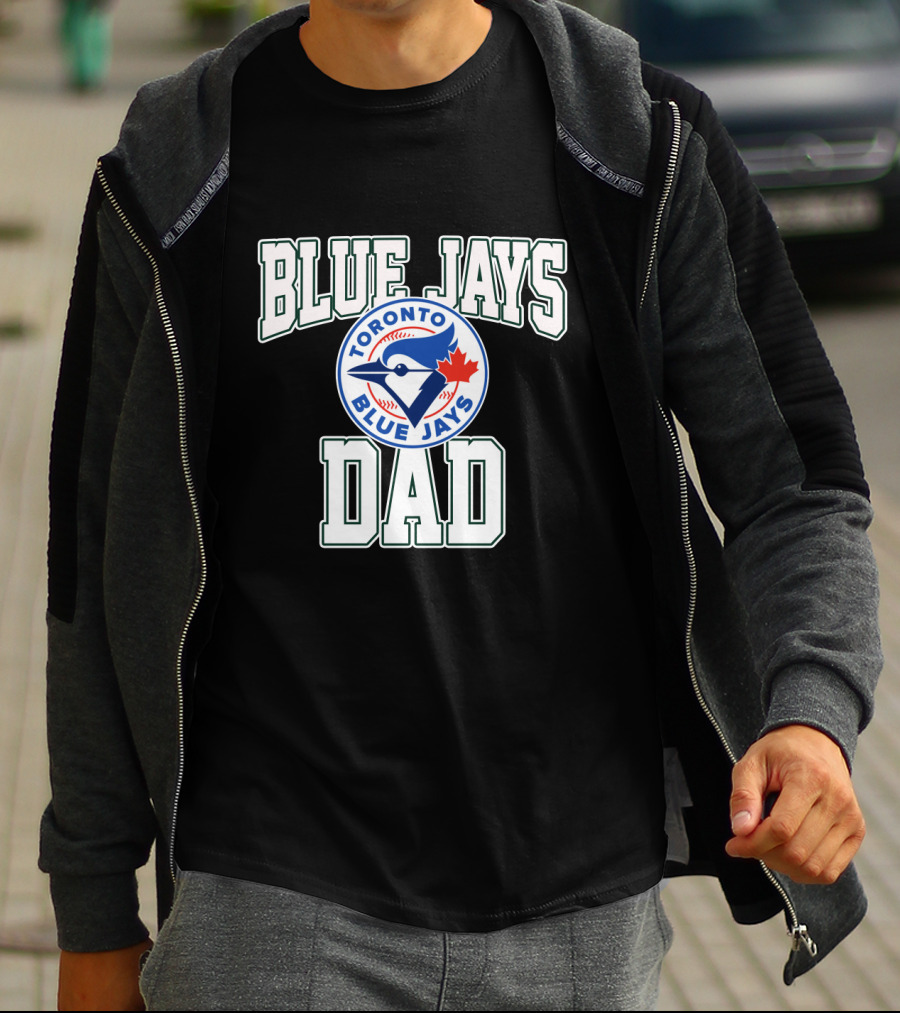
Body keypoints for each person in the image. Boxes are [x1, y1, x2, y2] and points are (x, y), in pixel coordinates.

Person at [41, 0, 881, 1009]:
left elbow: (796, 480)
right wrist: (93, 902)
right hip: (269, 893)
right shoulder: (176, 165)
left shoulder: (635, 139)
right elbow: (92, 547)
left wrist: (813, 715)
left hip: (580, 895)